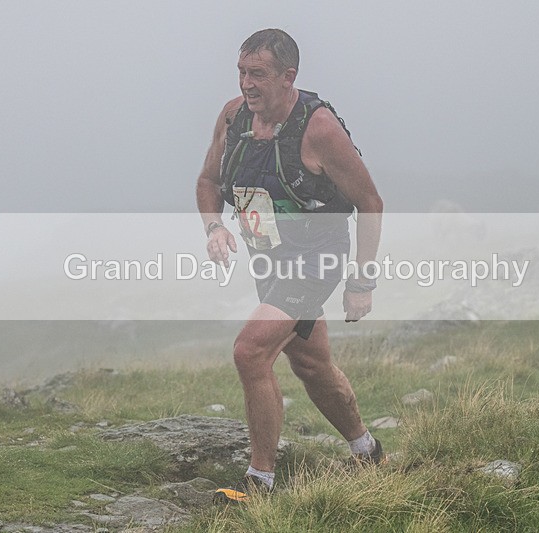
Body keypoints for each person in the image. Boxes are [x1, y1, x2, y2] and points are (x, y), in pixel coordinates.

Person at [195, 28, 384, 503]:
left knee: (250, 352)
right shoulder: (233, 117)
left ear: (287, 77)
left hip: (315, 258)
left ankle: (259, 483)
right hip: (269, 259)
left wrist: (361, 281)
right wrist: (214, 228)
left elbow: (371, 202)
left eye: (257, 74)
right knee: (311, 364)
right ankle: (367, 450)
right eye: (241, 72)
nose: (245, 84)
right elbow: (206, 181)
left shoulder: (318, 130)